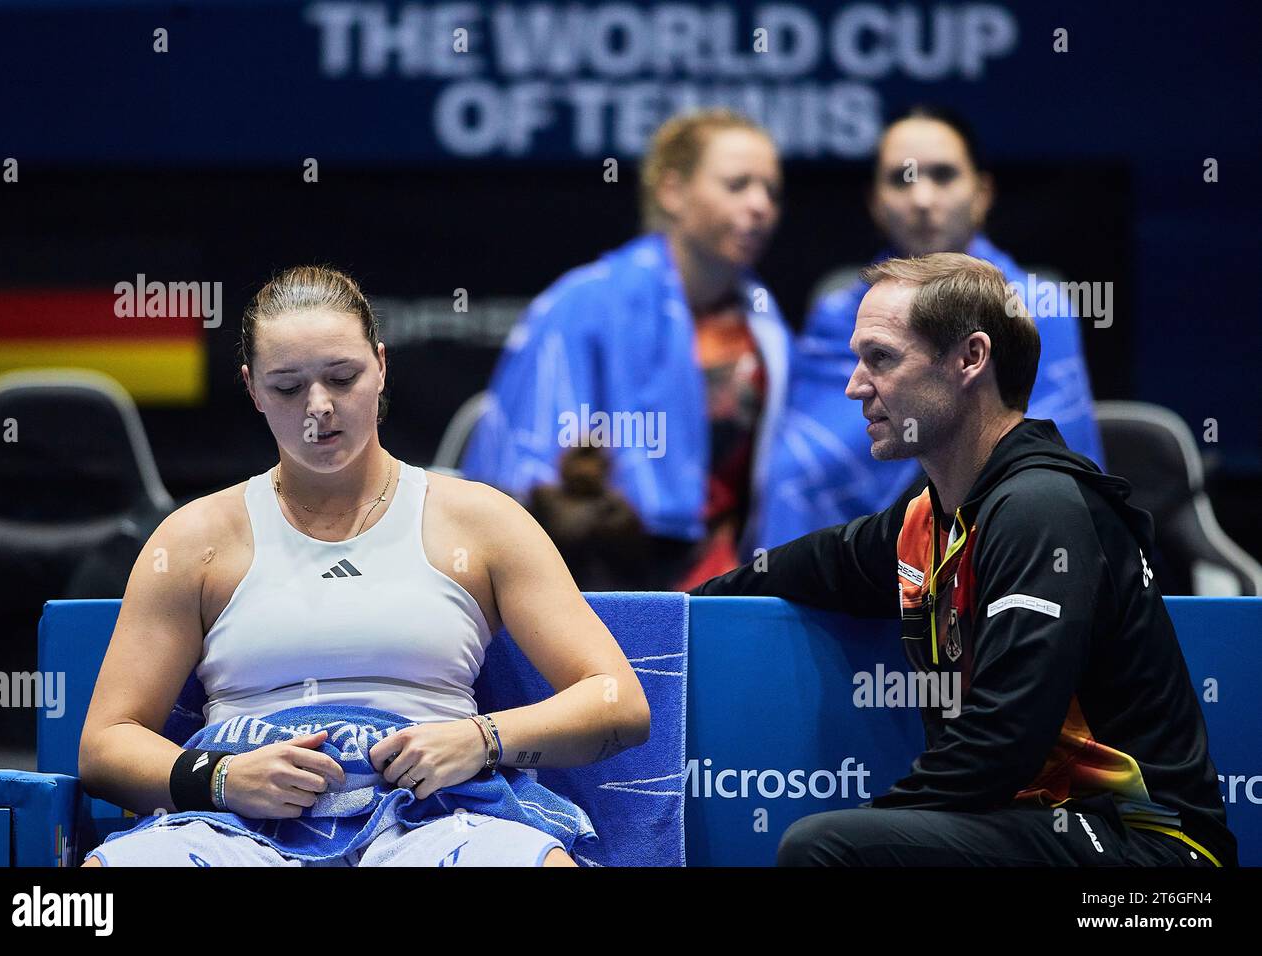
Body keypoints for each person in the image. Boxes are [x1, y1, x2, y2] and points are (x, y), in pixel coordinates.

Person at [78, 265, 650, 867]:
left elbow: (618, 703)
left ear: (380, 365)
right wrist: (218, 778)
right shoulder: (194, 540)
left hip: (437, 819)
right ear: (251, 388)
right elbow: (104, 746)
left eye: (342, 376)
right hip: (237, 829)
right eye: (287, 387)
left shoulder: (482, 523)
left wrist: (483, 740)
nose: (318, 407)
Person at [691, 253, 1236, 867]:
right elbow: (788, 570)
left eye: (881, 358)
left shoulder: (1041, 510)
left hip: (1155, 857)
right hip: (1037, 831)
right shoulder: (928, 522)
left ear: (970, 360)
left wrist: (877, 832)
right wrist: (669, 617)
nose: (854, 386)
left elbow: (1003, 742)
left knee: (829, 850)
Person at [462, 108, 791, 591]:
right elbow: (524, 469)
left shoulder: (767, 325)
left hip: (725, 583)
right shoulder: (583, 302)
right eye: (738, 185)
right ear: (672, 191)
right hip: (593, 579)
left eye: (772, 190)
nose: (760, 205)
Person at [759, 105, 1104, 548]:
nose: (922, 199)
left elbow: (1057, 467)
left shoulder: (1035, 308)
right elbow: (801, 470)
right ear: (875, 202)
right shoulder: (838, 312)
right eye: (902, 179)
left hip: (1000, 554)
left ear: (981, 193)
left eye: (943, 176)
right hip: (856, 564)